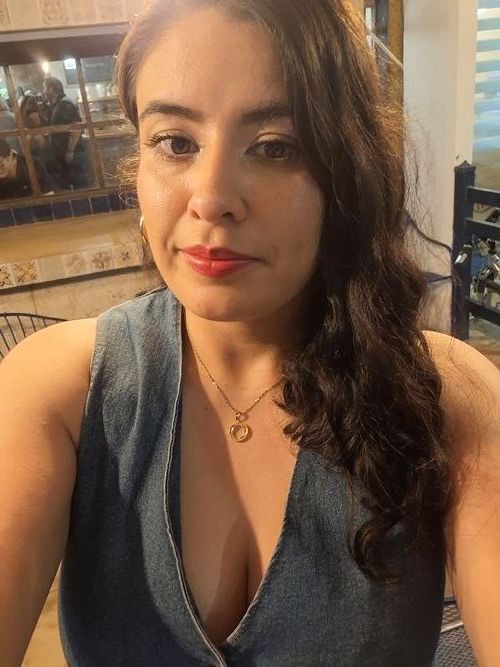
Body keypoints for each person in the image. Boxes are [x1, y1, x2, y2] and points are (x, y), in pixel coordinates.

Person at [0, 1, 499, 665]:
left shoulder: (448, 396)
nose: (211, 197)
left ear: (345, 173)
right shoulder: (60, 391)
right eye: (175, 142)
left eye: (273, 147)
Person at [41, 75, 90, 190]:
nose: (43, 91)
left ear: (51, 89)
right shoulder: (59, 104)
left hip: (75, 155)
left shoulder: (65, 105)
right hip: (68, 156)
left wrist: (70, 151)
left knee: (82, 188)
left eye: (44, 88)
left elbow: (76, 128)